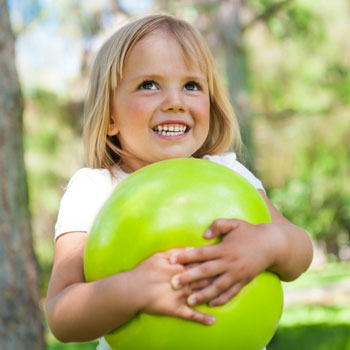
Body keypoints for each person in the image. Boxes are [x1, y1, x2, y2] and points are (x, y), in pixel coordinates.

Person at [45, 14, 313, 350]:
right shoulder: (94, 189)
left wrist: (269, 243)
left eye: (191, 86)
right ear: (110, 117)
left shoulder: (228, 174)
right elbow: (61, 315)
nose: (175, 102)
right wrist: (133, 288)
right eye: (149, 85)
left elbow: (300, 250)